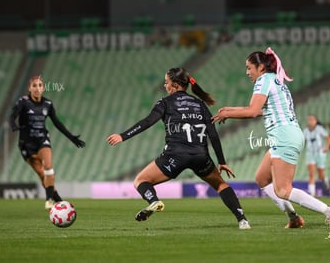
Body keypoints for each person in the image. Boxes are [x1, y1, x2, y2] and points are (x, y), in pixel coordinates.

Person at [212, 47, 330, 230]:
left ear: (261, 67)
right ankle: (294, 218)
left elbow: (253, 111)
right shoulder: (275, 80)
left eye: (249, 68)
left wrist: (228, 113)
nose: (247, 72)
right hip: (287, 134)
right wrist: (228, 111)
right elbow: (260, 111)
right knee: (262, 179)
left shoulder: (263, 80)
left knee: (283, 189)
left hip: (284, 136)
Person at [107, 68, 250, 229]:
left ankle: (154, 201)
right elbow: (213, 134)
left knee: (141, 180)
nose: (165, 85)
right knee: (221, 185)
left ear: (174, 85)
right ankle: (242, 220)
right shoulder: (199, 104)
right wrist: (222, 161)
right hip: (200, 156)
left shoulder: (165, 102)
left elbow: (147, 122)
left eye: (166, 82)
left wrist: (123, 136)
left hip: (175, 155)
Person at [9, 76, 85, 210]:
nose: (37, 88)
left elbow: (57, 123)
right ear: (29, 88)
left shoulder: (47, 104)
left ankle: (49, 199)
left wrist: (71, 137)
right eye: (34, 86)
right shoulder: (23, 102)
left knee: (48, 166)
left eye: (40, 85)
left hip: (42, 139)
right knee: (43, 175)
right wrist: (13, 125)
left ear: (43, 88)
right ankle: (59, 201)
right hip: (26, 144)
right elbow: (12, 116)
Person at [303, 114, 330, 196]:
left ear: (316, 121)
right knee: (311, 173)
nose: (311, 121)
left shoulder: (320, 129)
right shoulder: (305, 131)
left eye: (312, 119)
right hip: (310, 153)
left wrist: (326, 147)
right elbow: (302, 141)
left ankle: (324, 179)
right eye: (309, 119)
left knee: (320, 174)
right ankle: (312, 194)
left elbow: (328, 138)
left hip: (320, 153)